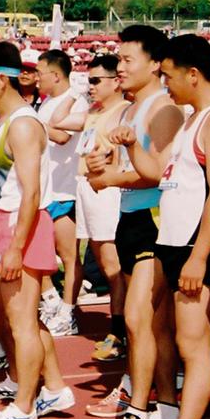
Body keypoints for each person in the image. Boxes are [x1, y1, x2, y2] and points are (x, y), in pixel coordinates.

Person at [123, 35, 210, 419]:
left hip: (197, 248)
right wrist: (132, 148)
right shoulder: (193, 119)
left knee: (194, 349)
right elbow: (162, 175)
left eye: (170, 77)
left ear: (193, 74)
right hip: (176, 244)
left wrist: (200, 256)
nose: (166, 85)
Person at [87, 25, 184, 419]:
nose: (120, 67)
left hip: (156, 218)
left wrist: (110, 177)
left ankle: (138, 411)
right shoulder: (127, 111)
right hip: (129, 216)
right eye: (119, 59)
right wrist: (99, 167)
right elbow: (111, 167)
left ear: (155, 63)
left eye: (128, 60)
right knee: (154, 325)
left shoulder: (164, 110)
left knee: (137, 317)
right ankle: (168, 408)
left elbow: (158, 171)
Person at [0, 41, 72, 419]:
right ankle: (55, 388)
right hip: (6, 220)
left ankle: (24, 407)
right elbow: (3, 185)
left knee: (21, 322)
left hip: (22, 225)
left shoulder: (24, 125)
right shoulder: (1, 121)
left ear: (1, 79)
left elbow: (30, 193)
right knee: (24, 317)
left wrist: (15, 247)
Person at [76, 54, 130, 365]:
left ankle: (119, 332)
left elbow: (120, 160)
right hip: (89, 188)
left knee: (114, 268)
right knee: (103, 263)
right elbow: (57, 123)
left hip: (107, 192)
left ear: (116, 81)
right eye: (89, 81)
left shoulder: (123, 112)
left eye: (96, 80)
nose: (91, 86)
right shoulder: (94, 111)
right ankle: (121, 330)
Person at [35, 49, 89, 337]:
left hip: (65, 190)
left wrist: (33, 125)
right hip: (45, 188)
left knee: (68, 255)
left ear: (56, 75)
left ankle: (68, 312)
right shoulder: (45, 103)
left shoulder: (76, 101)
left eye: (40, 73)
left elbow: (62, 136)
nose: (36, 78)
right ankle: (52, 301)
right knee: (39, 252)